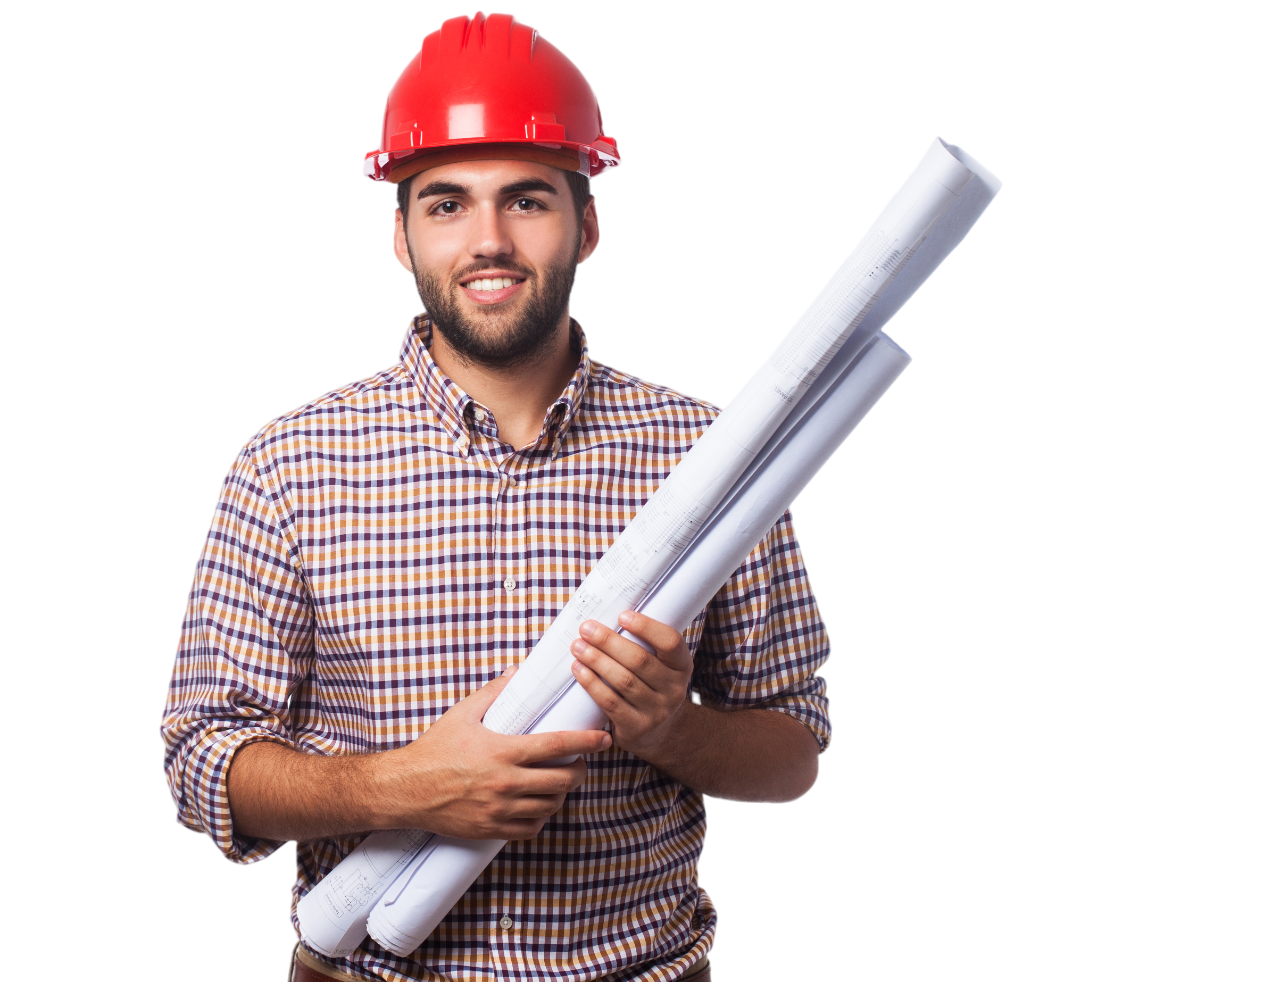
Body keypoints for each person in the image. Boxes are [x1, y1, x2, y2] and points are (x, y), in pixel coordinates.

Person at [160, 11, 831, 982]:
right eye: (446, 204)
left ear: (586, 224)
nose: (488, 241)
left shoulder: (712, 455)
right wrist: (402, 787)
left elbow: (794, 753)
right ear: (400, 235)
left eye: (526, 199)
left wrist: (671, 728)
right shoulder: (288, 464)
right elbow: (199, 763)